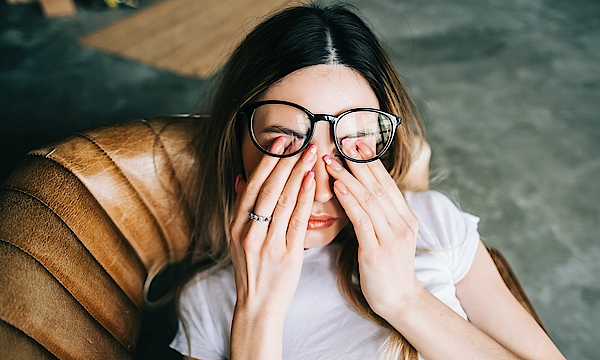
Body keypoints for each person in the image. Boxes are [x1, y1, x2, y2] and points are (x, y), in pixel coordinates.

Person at [169, 3, 564, 359]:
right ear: (236, 143)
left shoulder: (433, 222)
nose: (323, 190)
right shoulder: (208, 300)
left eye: (353, 145)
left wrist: (405, 300)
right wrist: (258, 313)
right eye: (284, 146)